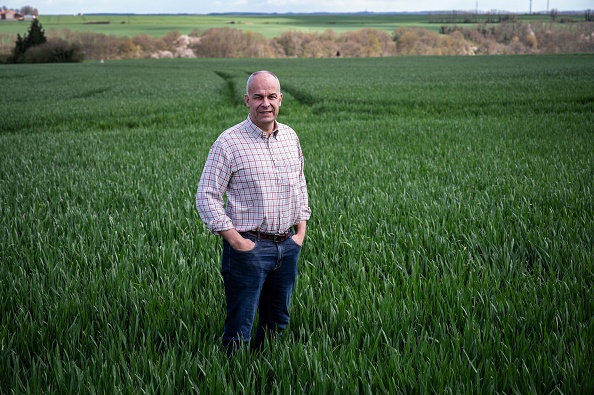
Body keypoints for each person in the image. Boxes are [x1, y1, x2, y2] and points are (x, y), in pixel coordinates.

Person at [196, 71, 311, 356]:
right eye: (258, 97)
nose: (265, 103)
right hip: (249, 248)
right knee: (240, 329)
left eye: (271, 96)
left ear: (280, 100)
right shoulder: (229, 142)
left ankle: (264, 373)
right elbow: (206, 195)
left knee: (277, 322)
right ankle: (233, 378)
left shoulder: (290, 137)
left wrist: (300, 231)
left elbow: (299, 183)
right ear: (247, 100)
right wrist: (237, 241)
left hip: (287, 246)